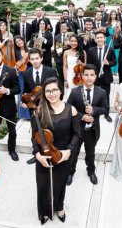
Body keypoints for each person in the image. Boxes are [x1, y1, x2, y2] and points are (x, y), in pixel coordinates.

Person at [31, 77, 80, 225]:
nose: (51, 93)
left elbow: (77, 134)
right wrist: (37, 154)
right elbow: (34, 137)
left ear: (60, 91)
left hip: (63, 156)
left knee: (60, 184)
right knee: (43, 185)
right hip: (44, 155)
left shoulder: (71, 109)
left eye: (54, 90)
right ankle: (44, 210)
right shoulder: (39, 111)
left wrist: (69, 151)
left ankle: (59, 207)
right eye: (47, 91)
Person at [66, 64, 108, 185]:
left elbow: (105, 109)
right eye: (86, 75)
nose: (89, 78)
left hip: (92, 130)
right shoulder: (75, 92)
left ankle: (91, 171)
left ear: (96, 76)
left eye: (92, 75)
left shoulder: (101, 92)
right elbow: (68, 108)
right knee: (74, 152)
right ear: (82, 76)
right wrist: (82, 116)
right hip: (77, 129)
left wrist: (94, 110)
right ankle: (70, 172)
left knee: (91, 153)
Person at [87, 31, 116, 123]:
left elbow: (114, 62)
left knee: (106, 95)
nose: (99, 39)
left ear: (104, 39)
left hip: (105, 76)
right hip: (95, 77)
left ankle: (106, 113)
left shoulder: (110, 49)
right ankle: (92, 111)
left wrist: (109, 63)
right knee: (93, 94)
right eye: (97, 38)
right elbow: (89, 64)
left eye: (101, 37)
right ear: (95, 40)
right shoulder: (91, 50)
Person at [63, 34, 86, 100]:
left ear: (78, 42)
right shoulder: (66, 52)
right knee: (69, 95)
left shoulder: (83, 52)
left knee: (79, 96)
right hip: (69, 76)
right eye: (71, 41)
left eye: (75, 41)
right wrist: (65, 80)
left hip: (80, 77)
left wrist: (81, 63)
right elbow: (65, 67)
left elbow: (86, 66)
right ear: (69, 42)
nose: (73, 43)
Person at [14, 35, 31, 120]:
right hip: (21, 74)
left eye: (20, 40)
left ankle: (32, 112)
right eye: (17, 42)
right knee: (22, 92)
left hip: (30, 72)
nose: (19, 42)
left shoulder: (29, 50)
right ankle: (24, 115)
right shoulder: (15, 52)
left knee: (31, 91)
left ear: (23, 40)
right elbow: (15, 64)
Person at [105, 10, 121, 75]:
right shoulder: (107, 23)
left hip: (116, 39)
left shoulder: (118, 22)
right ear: (110, 15)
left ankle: (115, 70)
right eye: (112, 14)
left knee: (116, 54)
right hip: (108, 39)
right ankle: (110, 70)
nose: (113, 16)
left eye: (114, 14)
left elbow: (119, 31)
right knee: (109, 54)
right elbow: (106, 32)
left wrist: (117, 27)